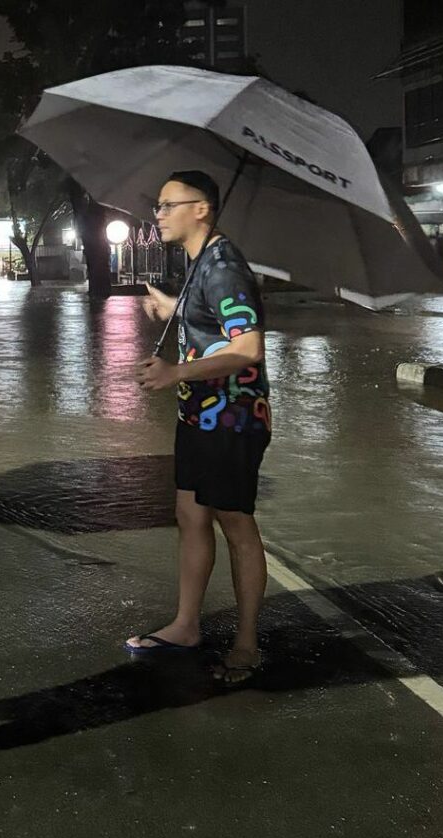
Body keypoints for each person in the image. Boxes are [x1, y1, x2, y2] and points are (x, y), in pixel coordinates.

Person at [128, 170, 271, 685]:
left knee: (235, 524)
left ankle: (248, 643)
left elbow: (248, 346)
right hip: (198, 416)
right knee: (190, 514)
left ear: (201, 209)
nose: (158, 215)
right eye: (158, 205)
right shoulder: (198, 263)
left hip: (231, 420)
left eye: (168, 205)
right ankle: (187, 625)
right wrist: (171, 307)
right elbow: (210, 323)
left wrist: (174, 372)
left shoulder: (225, 266)